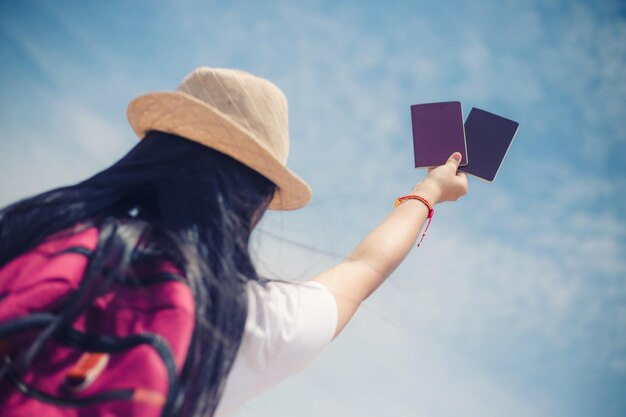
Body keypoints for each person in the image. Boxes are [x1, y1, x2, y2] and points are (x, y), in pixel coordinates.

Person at [0, 67, 468, 417]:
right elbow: (363, 269)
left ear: (150, 155)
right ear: (256, 200)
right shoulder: (239, 318)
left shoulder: (35, 231)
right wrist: (431, 189)